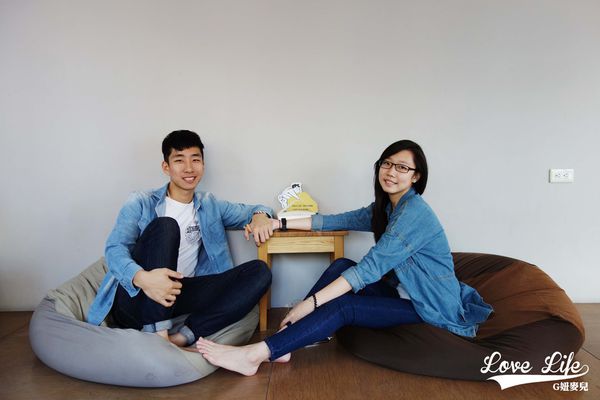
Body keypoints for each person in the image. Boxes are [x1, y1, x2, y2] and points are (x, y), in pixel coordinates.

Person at [195, 139, 493, 374]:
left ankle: (256, 354)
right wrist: (278, 223)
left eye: (402, 168)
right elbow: (332, 221)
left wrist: (309, 304)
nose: (391, 172)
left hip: (431, 306)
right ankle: (285, 343)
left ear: (416, 176)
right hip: (404, 293)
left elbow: (368, 270)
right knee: (340, 265)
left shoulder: (414, 214)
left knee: (345, 306)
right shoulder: (387, 207)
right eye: (387, 164)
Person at [87, 130, 277, 349]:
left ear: (203, 165)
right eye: (179, 160)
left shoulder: (210, 204)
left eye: (195, 160)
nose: (189, 168)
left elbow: (255, 210)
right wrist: (144, 278)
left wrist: (260, 216)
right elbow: (115, 248)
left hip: (180, 293)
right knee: (166, 226)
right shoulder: (141, 201)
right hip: (138, 296)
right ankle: (159, 335)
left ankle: (183, 336)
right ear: (166, 167)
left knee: (260, 272)